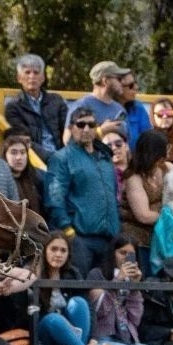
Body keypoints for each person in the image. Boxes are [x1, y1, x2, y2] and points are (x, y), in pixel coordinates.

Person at [46, 107, 120, 275]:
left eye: (91, 124)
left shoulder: (106, 158)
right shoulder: (61, 158)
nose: (86, 129)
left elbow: (113, 197)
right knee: (79, 290)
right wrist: (68, 231)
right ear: (71, 128)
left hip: (109, 239)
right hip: (80, 239)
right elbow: (54, 199)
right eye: (80, 124)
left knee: (106, 294)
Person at [37, 231, 119, 345]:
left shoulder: (72, 274)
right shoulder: (34, 273)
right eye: (53, 249)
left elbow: (89, 308)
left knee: (80, 303)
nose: (58, 254)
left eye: (63, 250)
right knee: (54, 319)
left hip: (74, 333)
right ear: (44, 250)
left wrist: (93, 342)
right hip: (45, 331)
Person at [120, 130, 170, 277]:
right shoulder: (133, 178)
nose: (165, 156)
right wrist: (171, 215)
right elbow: (144, 215)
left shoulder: (167, 169)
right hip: (139, 241)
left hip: (162, 240)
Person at [4, 53, 67, 162]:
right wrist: (53, 158)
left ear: (43, 78)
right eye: (27, 72)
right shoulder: (14, 107)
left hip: (64, 155)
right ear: (19, 78)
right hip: (35, 160)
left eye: (36, 72)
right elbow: (25, 140)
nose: (32, 76)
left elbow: (68, 128)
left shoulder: (56, 100)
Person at [63, 61, 129, 144]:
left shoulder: (120, 109)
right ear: (105, 81)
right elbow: (68, 141)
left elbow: (127, 142)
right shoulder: (81, 105)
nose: (123, 83)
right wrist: (100, 131)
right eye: (119, 79)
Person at [1, 128, 45, 215]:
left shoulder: (35, 177)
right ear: (5, 155)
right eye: (13, 153)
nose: (19, 157)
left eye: (22, 152)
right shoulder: (0, 181)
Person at [115, 70, 151, 150]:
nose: (136, 87)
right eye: (131, 85)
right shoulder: (105, 108)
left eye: (135, 83)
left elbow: (148, 138)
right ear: (117, 87)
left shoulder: (138, 108)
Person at [104, 130, 130, 202]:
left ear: (126, 146)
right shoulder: (102, 178)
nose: (114, 148)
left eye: (118, 143)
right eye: (108, 146)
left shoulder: (139, 169)